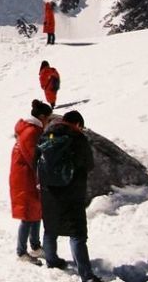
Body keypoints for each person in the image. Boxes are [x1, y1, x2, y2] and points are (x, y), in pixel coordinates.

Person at [37, 110, 101, 282]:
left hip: (48, 192)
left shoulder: (46, 135)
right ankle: (86, 275)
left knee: (50, 229)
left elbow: (38, 160)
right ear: (78, 124)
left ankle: (51, 261)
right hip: (72, 192)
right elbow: (89, 164)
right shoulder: (77, 138)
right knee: (77, 233)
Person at [9, 100, 54, 264]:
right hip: (25, 179)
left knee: (36, 212)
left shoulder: (32, 130)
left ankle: (35, 247)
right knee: (28, 216)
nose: (48, 122)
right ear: (42, 117)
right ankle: (21, 252)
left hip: (27, 178)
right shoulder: (31, 132)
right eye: (48, 119)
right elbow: (34, 158)